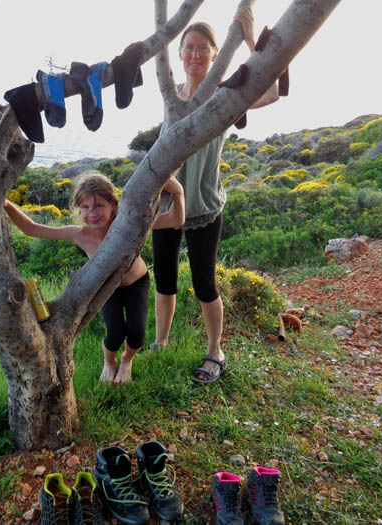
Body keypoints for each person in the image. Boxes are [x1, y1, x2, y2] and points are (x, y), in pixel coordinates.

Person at [150, 7, 279, 384]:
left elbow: (270, 90)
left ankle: (215, 350)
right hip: (167, 205)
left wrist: (251, 34)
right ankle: (161, 342)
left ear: (214, 53)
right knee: (165, 279)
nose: (194, 54)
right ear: (180, 53)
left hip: (204, 206)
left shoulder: (227, 95)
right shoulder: (171, 95)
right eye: (188, 47)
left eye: (203, 48)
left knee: (205, 282)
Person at [4, 171, 185, 384]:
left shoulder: (127, 225)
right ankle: (110, 362)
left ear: (113, 205)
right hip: (108, 287)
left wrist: (179, 193)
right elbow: (31, 229)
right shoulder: (79, 234)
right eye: (86, 207)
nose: (93, 213)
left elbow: (176, 219)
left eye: (99, 205)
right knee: (115, 333)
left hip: (137, 281)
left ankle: (127, 360)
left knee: (137, 333)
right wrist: (6, 204)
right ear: (80, 210)